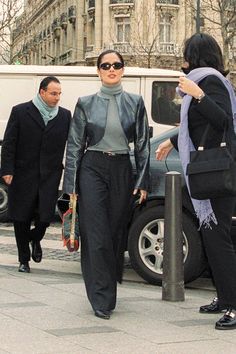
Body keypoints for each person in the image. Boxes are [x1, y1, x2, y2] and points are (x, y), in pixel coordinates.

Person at [156, 33, 236, 330]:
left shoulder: (210, 82)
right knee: (212, 240)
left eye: (187, 53)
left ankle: (233, 305)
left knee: (219, 241)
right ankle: (224, 297)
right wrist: (173, 141)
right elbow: (200, 129)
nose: (184, 58)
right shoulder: (202, 81)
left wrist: (198, 94)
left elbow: (223, 121)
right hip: (209, 172)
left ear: (199, 55)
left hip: (217, 174)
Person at [63, 49, 150, 320]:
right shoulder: (85, 103)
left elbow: (143, 146)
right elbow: (75, 145)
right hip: (93, 168)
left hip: (122, 168)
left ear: (123, 69)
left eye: (116, 65)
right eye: (105, 65)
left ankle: (108, 289)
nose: (111, 69)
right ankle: (101, 298)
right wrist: (71, 187)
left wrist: (142, 180)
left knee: (114, 233)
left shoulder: (135, 102)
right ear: (98, 71)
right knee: (96, 234)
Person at [0, 76, 71, 273]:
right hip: (23, 174)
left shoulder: (65, 116)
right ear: (42, 92)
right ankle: (24, 260)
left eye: (59, 94)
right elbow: (9, 143)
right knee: (21, 218)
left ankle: (35, 238)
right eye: (53, 93)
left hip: (50, 175)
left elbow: (71, 144)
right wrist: (6, 170)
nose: (57, 97)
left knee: (45, 217)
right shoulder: (21, 111)